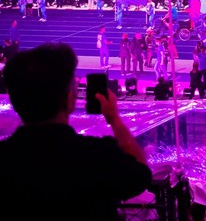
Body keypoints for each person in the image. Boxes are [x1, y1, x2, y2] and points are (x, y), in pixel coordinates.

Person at [0, 43, 152, 219]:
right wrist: (114, 119)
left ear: (12, 97)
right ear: (70, 97)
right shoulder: (98, 155)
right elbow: (141, 174)